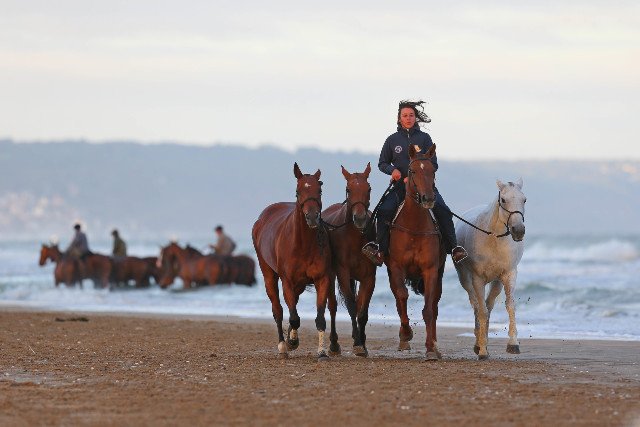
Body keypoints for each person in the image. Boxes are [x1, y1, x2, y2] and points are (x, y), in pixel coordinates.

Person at [362, 100, 468, 267]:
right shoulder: (392, 140)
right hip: (400, 188)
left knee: (444, 211)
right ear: (399, 118)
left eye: (411, 115)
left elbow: (434, 164)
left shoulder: (425, 138)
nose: (408, 118)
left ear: (415, 118)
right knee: (383, 211)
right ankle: (380, 250)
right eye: (405, 115)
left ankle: (454, 249)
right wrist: (392, 170)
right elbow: (382, 163)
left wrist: (417, 177)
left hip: (425, 188)